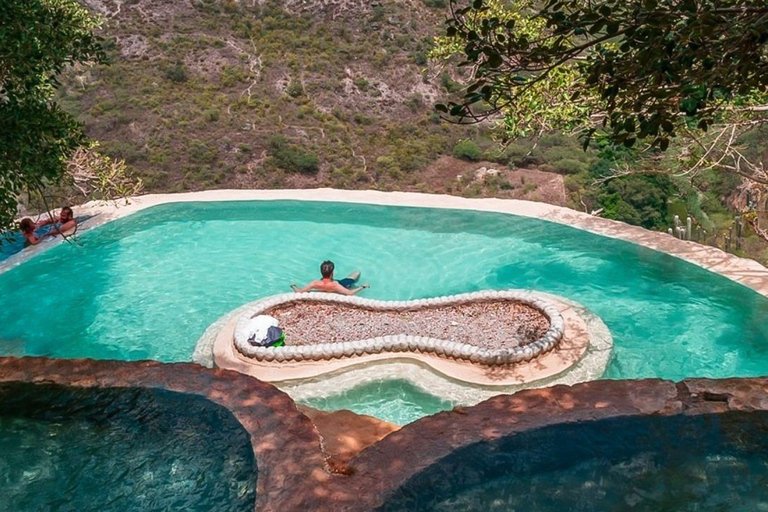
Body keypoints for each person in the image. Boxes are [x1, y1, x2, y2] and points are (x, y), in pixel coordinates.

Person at [291, 260, 370, 296]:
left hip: (331, 282)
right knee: (357, 273)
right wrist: (362, 286)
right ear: (332, 273)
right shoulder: (335, 285)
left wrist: (293, 285)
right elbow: (350, 293)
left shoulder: (315, 283)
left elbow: (299, 291)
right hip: (343, 285)